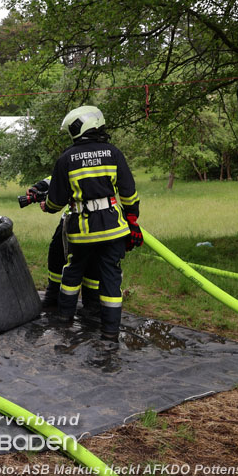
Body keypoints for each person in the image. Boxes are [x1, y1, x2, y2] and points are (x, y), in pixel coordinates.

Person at [42, 106, 142, 341]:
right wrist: (133, 220)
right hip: (113, 229)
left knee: (72, 273)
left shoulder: (66, 158)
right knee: (111, 280)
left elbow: (55, 201)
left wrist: (46, 206)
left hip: (82, 233)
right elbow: (129, 193)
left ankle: (64, 323)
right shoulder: (113, 153)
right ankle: (109, 334)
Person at [26, 177, 100, 316]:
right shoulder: (71, 157)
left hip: (98, 219)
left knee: (92, 262)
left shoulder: (102, 158)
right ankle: (54, 297)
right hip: (71, 217)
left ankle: (92, 304)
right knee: (56, 254)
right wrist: (39, 187)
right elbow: (59, 175)